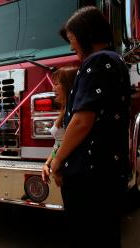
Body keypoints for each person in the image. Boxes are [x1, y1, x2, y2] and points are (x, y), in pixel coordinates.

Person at [45, 6, 131, 248]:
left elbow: (82, 121)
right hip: (106, 174)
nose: (72, 47)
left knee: (88, 236)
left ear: (87, 34)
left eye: (73, 39)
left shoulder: (98, 62)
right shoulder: (115, 61)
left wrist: (58, 160)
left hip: (91, 177)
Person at [42, 66, 78, 184]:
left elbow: (68, 144)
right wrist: (48, 163)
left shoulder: (74, 113)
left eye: (57, 84)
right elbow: (57, 145)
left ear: (68, 86)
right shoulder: (64, 110)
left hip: (70, 172)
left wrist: (57, 165)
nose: (53, 88)